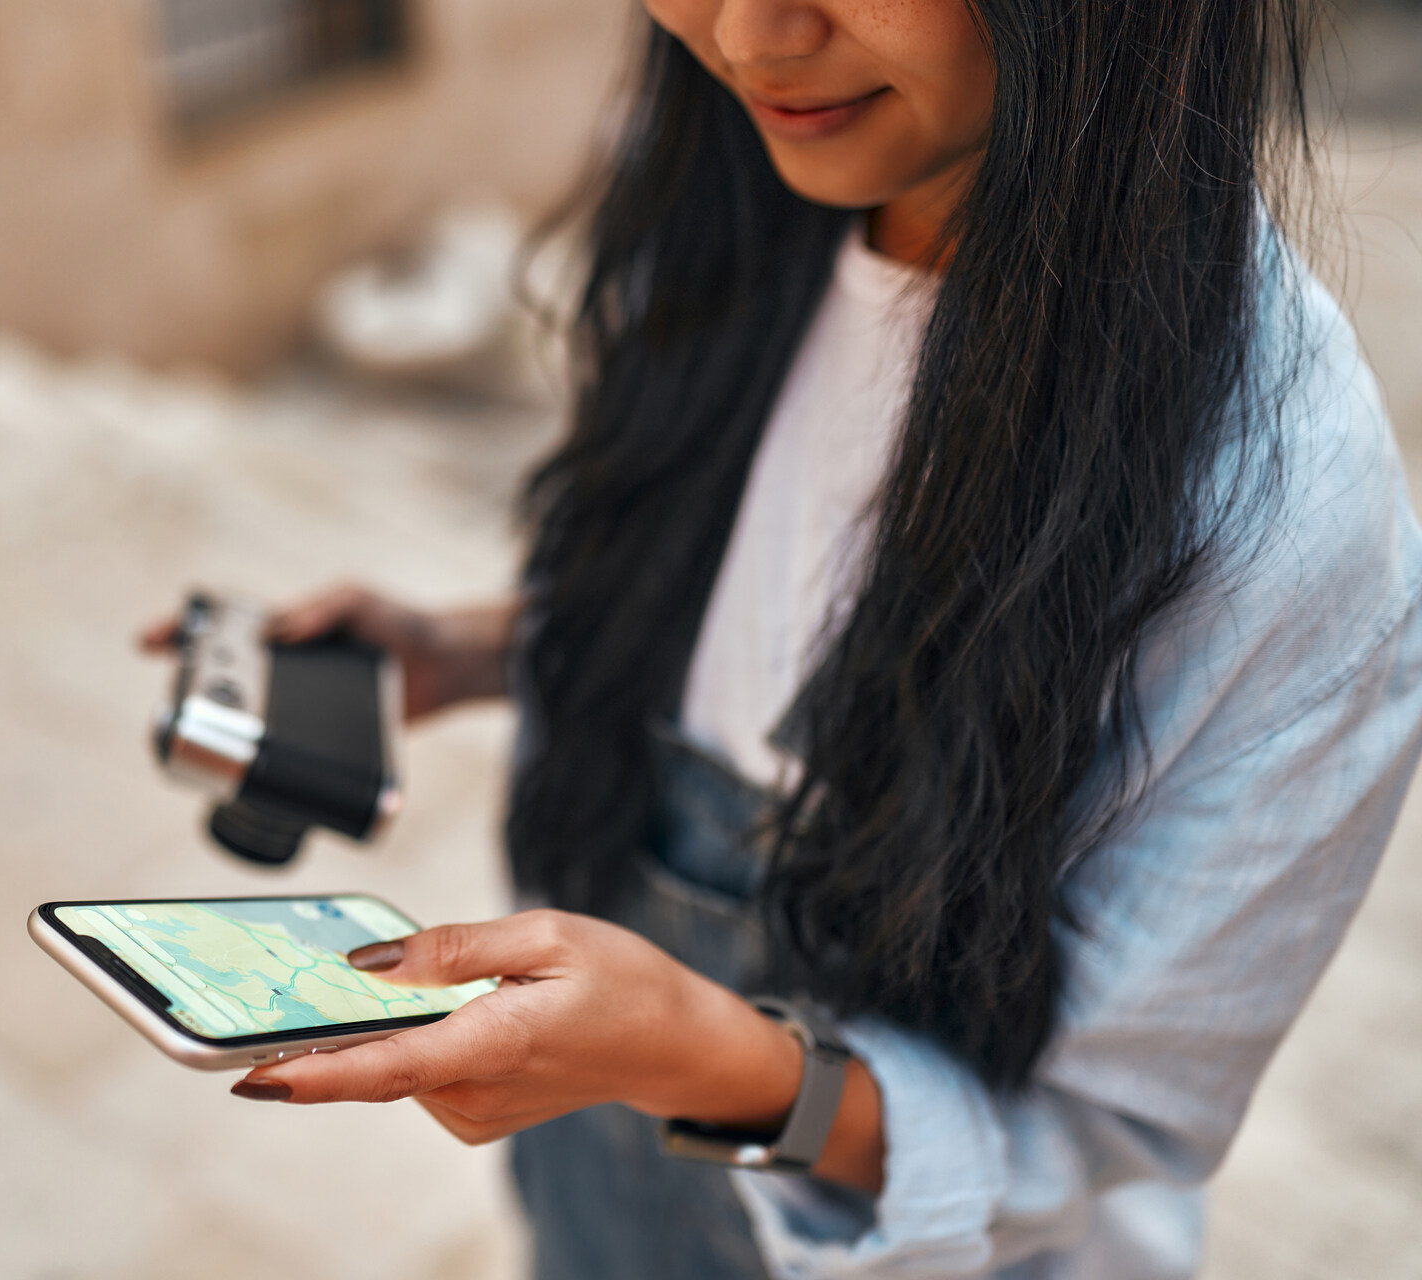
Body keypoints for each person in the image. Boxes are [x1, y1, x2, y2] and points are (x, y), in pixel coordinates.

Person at [143, 1, 1422, 1276]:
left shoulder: (1284, 504)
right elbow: (785, 594)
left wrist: (695, 1053)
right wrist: (495, 643)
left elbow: (1088, 1134)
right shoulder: (733, 196)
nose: (750, 37)